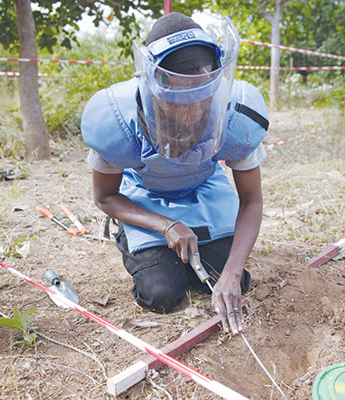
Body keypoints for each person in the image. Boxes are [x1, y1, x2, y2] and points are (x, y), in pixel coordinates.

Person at [81, 12, 269, 335]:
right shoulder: (117, 121)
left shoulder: (236, 115)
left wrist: (232, 273)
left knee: (234, 278)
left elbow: (252, 201)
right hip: (145, 199)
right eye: (178, 102)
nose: (191, 115)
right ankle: (136, 239)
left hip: (203, 193)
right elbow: (105, 196)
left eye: (202, 99)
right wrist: (165, 225)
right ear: (154, 89)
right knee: (162, 293)